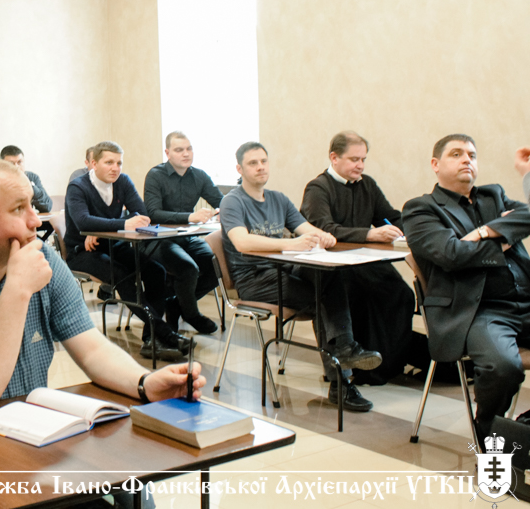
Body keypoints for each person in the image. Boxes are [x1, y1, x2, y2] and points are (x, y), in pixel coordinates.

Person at [0, 157, 205, 421]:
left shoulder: (39, 255)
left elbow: (91, 348)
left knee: (124, 474)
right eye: (18, 209)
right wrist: (17, 288)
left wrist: (144, 383)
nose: (35, 221)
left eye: (32, 205)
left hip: (22, 429)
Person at [221, 141, 382, 412]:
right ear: (240, 169)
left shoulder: (278, 199)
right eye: (252, 163)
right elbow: (242, 242)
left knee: (328, 276)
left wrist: (323, 236)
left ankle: (344, 351)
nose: (260, 167)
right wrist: (290, 244)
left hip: (282, 269)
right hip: (253, 278)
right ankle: (341, 379)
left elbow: (305, 228)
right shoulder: (232, 201)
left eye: (264, 161)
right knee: (323, 299)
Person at [403, 135, 530, 439]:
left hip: (525, 301)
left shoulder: (493, 195)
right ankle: (489, 434)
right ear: (435, 164)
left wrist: (485, 232)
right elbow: (452, 254)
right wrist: (506, 236)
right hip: (479, 310)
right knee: (503, 366)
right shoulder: (421, 209)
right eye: (456, 154)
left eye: (472, 155)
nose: (466, 160)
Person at [300, 131, 416, 385]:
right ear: (334, 158)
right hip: (334, 266)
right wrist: (370, 234)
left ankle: (389, 363)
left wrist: (414, 229)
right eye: (354, 159)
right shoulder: (318, 188)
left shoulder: (367, 185)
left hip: (365, 261)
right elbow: (324, 229)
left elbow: (389, 216)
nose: (360, 165)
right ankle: (361, 367)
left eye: (363, 159)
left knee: (401, 295)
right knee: (361, 298)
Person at [65, 141, 188, 361]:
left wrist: (100, 228)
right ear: (94, 163)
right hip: (81, 251)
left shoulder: (123, 181)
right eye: (109, 162)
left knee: (156, 271)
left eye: (119, 163)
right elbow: (83, 221)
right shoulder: (78, 187)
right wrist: (117, 224)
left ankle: (151, 339)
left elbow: (141, 214)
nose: (115, 168)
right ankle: (166, 334)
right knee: (121, 275)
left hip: (113, 245)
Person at [143, 131, 223, 335]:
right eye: (179, 150)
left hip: (187, 238)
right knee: (188, 269)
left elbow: (221, 201)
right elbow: (153, 213)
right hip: (159, 239)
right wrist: (190, 216)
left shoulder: (199, 176)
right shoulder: (155, 175)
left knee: (217, 267)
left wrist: (227, 210)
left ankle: (177, 305)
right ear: (168, 153)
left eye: (189, 149)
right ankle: (192, 313)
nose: (186, 154)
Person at [0, 146, 52, 213]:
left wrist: (31, 186)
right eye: (11, 163)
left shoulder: (32, 177)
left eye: (19, 162)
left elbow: (47, 207)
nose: (16, 167)